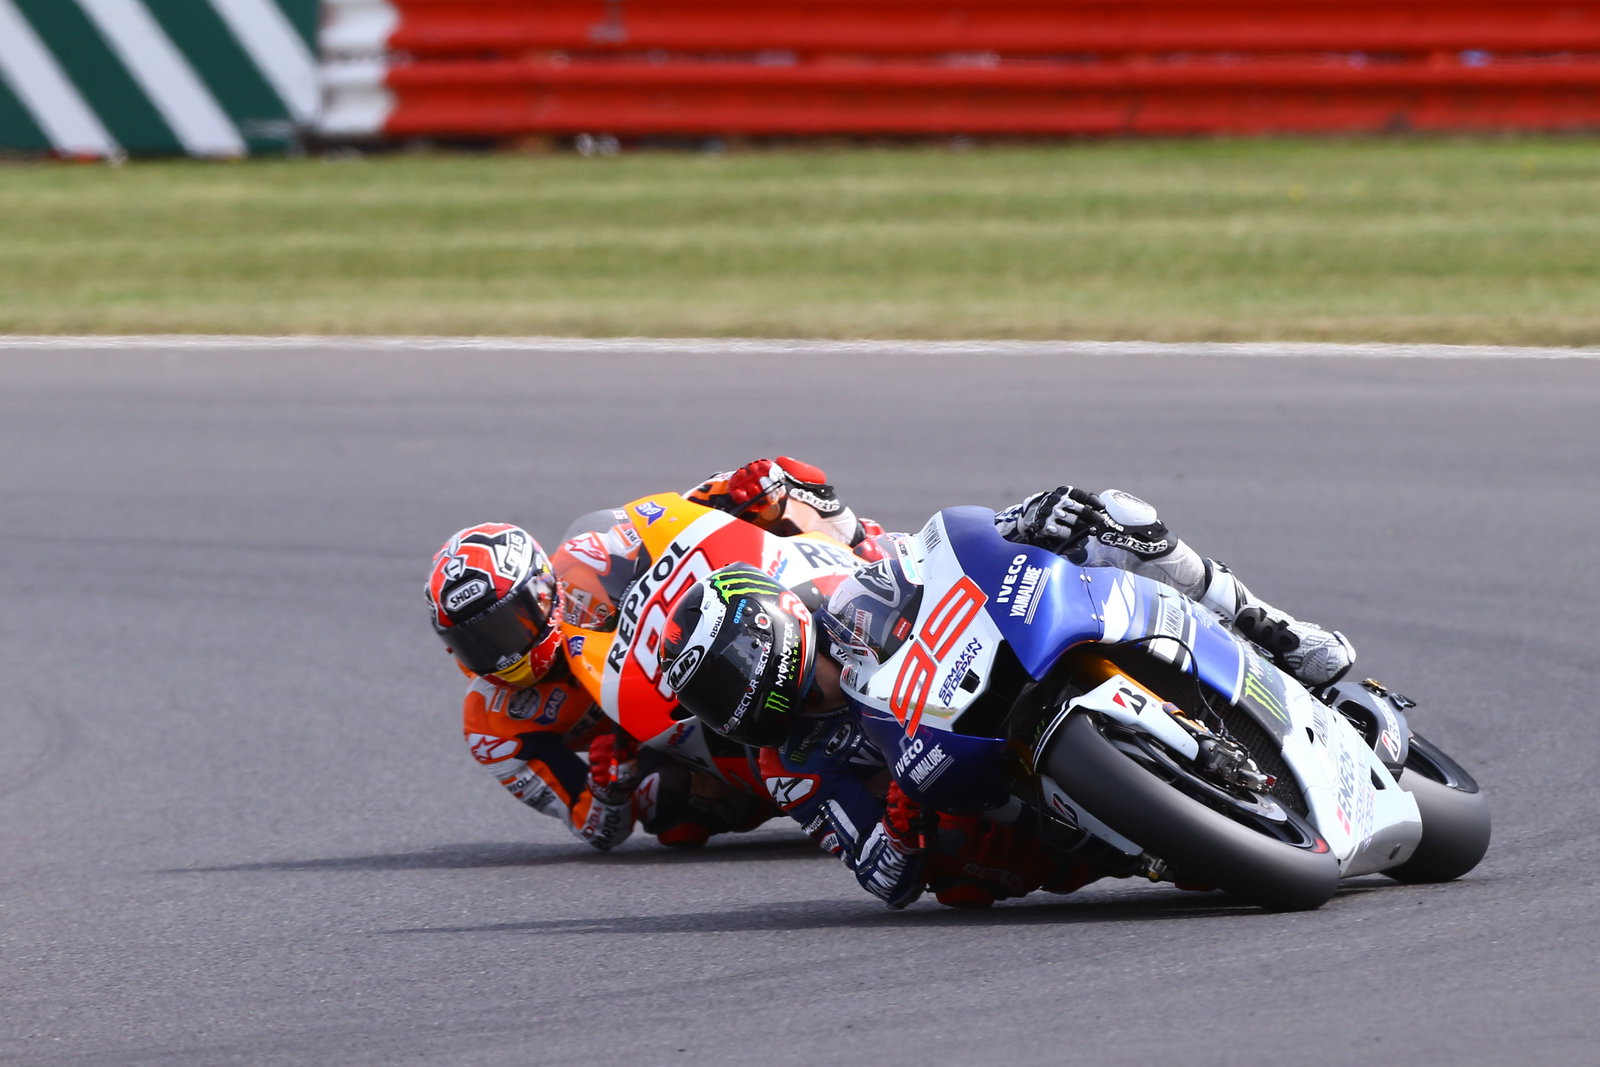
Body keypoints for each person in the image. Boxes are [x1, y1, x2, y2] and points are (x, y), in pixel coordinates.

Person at [661, 485, 1355, 907]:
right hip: (974, 779)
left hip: (996, 654)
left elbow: (931, 554)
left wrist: (1023, 520)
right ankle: (1154, 842)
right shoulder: (788, 765)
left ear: (762, 627)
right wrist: (901, 815)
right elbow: (883, 876)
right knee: (959, 877)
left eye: (725, 680)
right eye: (711, 704)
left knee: (1112, 514)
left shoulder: (837, 594)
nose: (731, 710)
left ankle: (1280, 632)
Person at [423, 457, 884, 852]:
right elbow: (596, 830)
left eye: (510, 624)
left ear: (544, 590)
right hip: (650, 739)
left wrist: (740, 488)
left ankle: (865, 548)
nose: (504, 653)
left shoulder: (587, 555)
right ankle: (796, 783)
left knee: (789, 488)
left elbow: (675, 515)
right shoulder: (492, 725)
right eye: (478, 642)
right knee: (667, 808)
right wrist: (608, 790)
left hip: (673, 644)